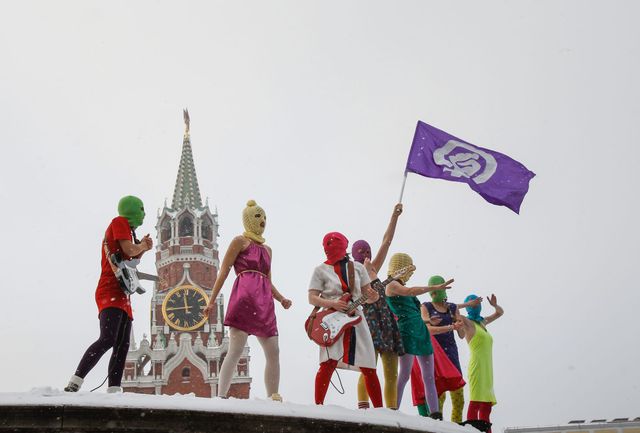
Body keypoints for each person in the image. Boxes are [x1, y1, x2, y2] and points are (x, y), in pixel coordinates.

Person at [203, 200, 291, 401]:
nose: (263, 220)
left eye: (265, 217)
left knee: (273, 350)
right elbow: (224, 271)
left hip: (264, 303)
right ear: (248, 219)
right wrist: (211, 301)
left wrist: (281, 298)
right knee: (236, 349)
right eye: (258, 216)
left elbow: (268, 280)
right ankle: (221, 396)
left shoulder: (268, 250)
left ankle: (273, 396)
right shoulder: (239, 241)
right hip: (244, 299)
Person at [64, 195, 153, 393]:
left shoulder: (129, 231)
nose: (144, 214)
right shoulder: (119, 222)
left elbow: (130, 259)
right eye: (141, 209)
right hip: (110, 289)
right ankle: (75, 381)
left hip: (122, 293)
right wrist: (142, 246)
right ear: (131, 209)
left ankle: (114, 390)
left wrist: (143, 248)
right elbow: (129, 249)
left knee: (122, 345)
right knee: (108, 338)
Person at [308, 232, 383, 407]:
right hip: (331, 319)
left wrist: (374, 296)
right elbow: (312, 298)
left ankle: (380, 410)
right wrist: (333, 303)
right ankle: (318, 406)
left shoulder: (358, 268)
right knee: (328, 362)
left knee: (368, 365)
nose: (330, 246)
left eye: (334, 243)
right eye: (327, 244)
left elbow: (368, 296)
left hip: (356, 317)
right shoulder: (320, 270)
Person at [384, 253, 453, 420]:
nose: (411, 273)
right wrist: (435, 288)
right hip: (407, 332)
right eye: (409, 269)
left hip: (421, 331)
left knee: (429, 376)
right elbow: (409, 291)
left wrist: (428, 320)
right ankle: (393, 410)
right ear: (401, 267)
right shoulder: (391, 285)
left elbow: (415, 312)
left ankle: (435, 414)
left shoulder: (399, 285)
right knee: (404, 374)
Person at [353, 203, 405, 409]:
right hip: (369, 323)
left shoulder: (374, 267)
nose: (366, 253)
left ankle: (391, 412)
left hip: (386, 321)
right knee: (368, 369)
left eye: (368, 250)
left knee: (391, 372)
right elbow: (358, 299)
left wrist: (394, 217)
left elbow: (387, 242)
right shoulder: (353, 274)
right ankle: (364, 410)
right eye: (361, 251)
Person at [419, 276, 481, 422]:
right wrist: (450, 326)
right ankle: (437, 426)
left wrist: (459, 323)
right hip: (435, 355)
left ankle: (456, 427)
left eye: (438, 289)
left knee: (459, 399)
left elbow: (461, 335)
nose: (435, 293)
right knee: (439, 396)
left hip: (451, 353)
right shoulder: (426, 306)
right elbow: (427, 329)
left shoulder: (452, 307)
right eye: (433, 290)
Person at [460, 294, 504, 433]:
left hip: (487, 369)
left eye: (478, 303)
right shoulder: (467, 323)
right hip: (477, 367)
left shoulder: (482, 322)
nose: (476, 306)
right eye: (474, 303)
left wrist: (495, 305)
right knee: (476, 402)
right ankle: (471, 431)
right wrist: (468, 304)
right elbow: (451, 309)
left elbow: (500, 313)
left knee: (486, 406)